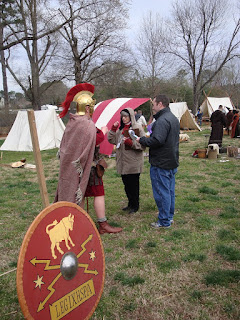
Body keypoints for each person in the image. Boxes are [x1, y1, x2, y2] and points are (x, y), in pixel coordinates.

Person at [54, 83, 122, 235]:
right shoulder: (86, 124)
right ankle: (101, 225)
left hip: (75, 167)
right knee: (98, 193)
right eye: (91, 107)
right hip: (87, 167)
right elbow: (95, 140)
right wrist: (103, 131)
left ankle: (77, 223)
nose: (92, 110)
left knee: (80, 193)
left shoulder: (72, 123)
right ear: (86, 108)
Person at [136, 94, 180, 228]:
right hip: (171, 160)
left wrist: (142, 140)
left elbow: (158, 140)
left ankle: (164, 220)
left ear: (160, 104)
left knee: (162, 193)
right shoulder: (172, 118)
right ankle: (169, 217)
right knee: (169, 191)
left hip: (162, 162)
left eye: (154, 103)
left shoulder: (162, 120)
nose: (153, 106)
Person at [107, 108, 146, 214]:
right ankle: (130, 204)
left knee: (133, 185)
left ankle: (135, 205)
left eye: (126, 116)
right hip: (123, 162)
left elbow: (143, 145)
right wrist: (113, 129)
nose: (124, 118)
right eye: (122, 116)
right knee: (126, 185)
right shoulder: (121, 129)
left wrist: (131, 143)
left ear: (131, 116)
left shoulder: (137, 128)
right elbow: (111, 140)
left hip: (133, 162)